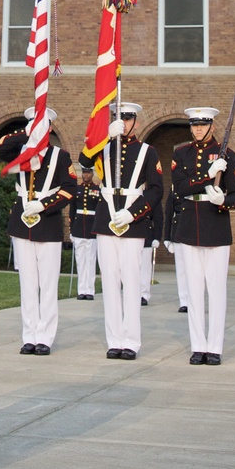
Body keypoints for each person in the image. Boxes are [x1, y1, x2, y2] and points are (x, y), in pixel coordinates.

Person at [79, 101, 163, 361]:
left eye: (128, 119)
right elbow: (83, 160)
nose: (124, 123)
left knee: (131, 280)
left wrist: (134, 212)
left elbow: (156, 189)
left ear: (136, 122)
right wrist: (105, 137)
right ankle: (114, 339)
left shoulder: (147, 151)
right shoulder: (104, 147)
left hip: (132, 220)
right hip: (106, 218)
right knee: (110, 282)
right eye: (119, 118)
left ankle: (131, 341)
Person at [0, 108, 75, 356]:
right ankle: (29, 335)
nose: (38, 129)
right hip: (22, 222)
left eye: (42, 125)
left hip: (47, 221)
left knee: (48, 284)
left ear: (49, 128)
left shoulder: (60, 156)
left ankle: (45, 337)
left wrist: (44, 205)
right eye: (33, 124)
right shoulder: (20, 152)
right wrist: (23, 133)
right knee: (27, 283)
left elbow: (71, 188)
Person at [169, 106, 235, 366]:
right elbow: (179, 188)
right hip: (189, 225)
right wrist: (208, 176)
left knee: (216, 290)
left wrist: (223, 200)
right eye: (194, 125)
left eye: (203, 125)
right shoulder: (181, 154)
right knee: (194, 291)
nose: (198, 129)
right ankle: (198, 346)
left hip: (216, 226)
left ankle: (215, 347)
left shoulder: (227, 155)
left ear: (212, 126)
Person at [68, 168, 100, 300]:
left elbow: (99, 211)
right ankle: (81, 290)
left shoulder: (97, 190)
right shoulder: (77, 189)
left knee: (91, 261)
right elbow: (72, 210)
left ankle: (90, 290)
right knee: (80, 261)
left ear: (92, 174)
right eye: (84, 173)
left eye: (88, 173)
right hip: (78, 228)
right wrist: (71, 229)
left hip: (91, 229)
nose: (86, 175)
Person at [163, 187, 190, 312]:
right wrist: (167, 237)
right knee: (181, 270)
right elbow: (169, 213)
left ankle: (194, 300)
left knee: (194, 270)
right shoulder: (174, 188)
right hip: (178, 230)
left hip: (193, 229)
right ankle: (184, 301)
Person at [140, 192, 163, 306]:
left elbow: (158, 218)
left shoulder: (151, 195)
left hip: (146, 235)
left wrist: (157, 237)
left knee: (145, 267)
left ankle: (144, 294)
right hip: (131, 234)